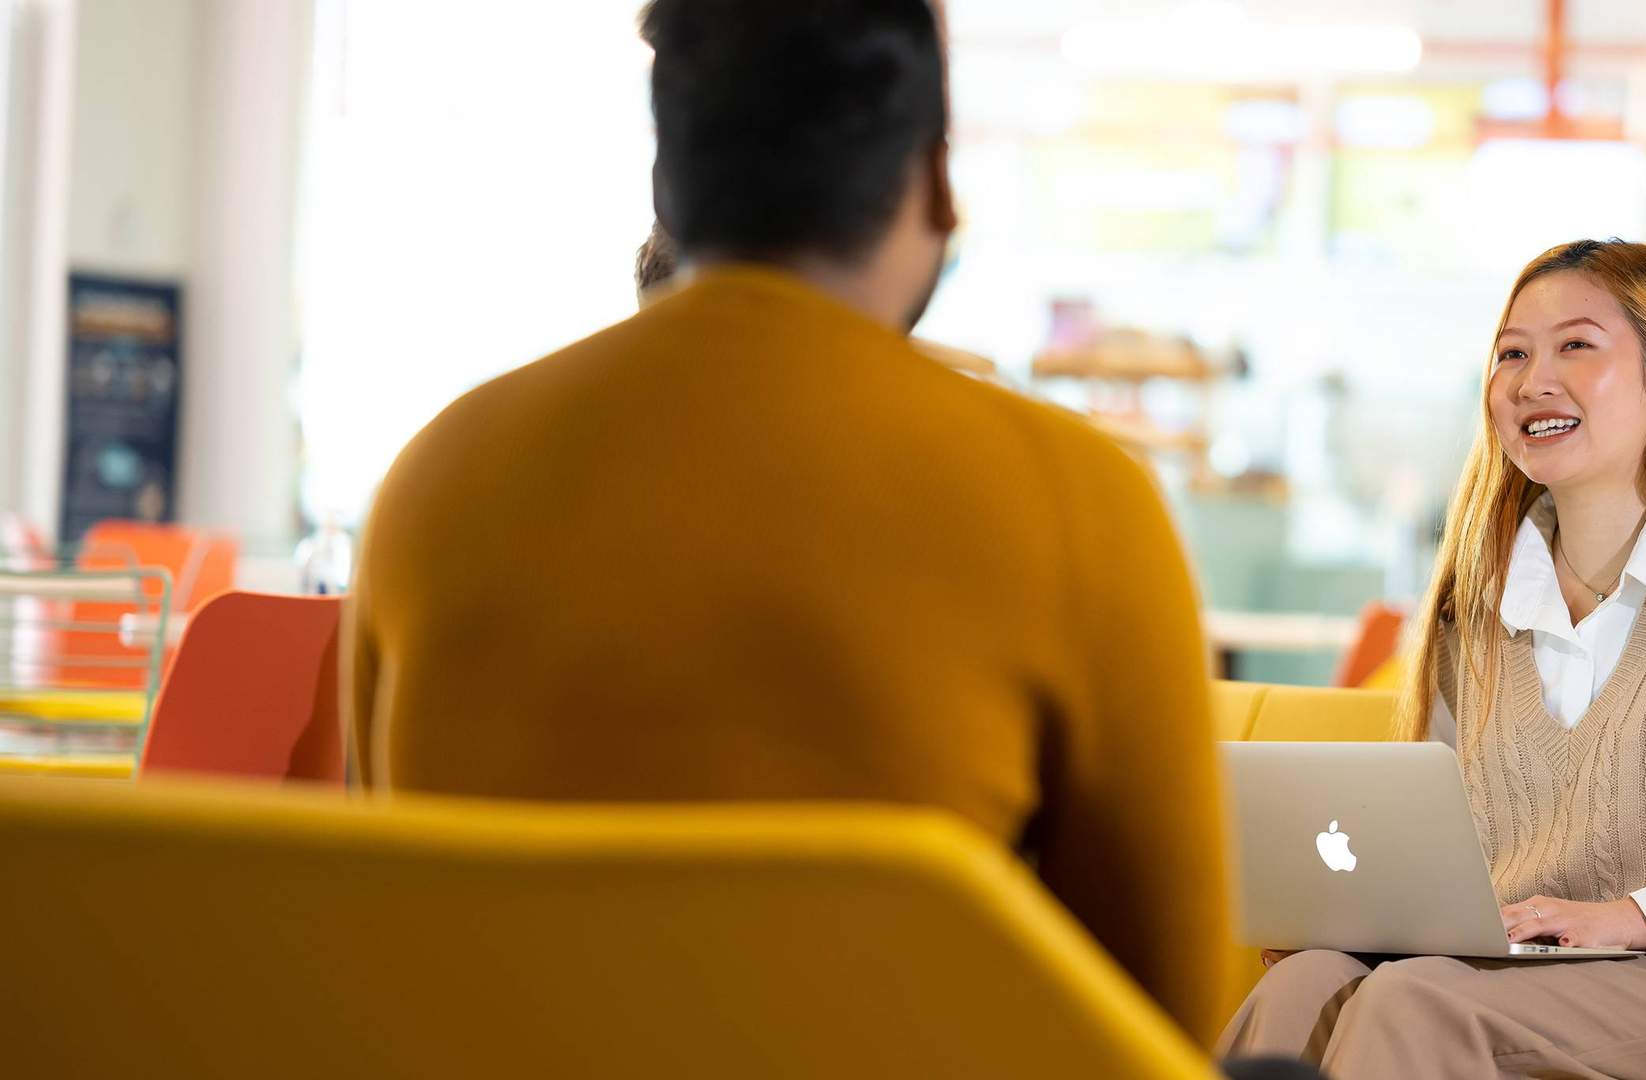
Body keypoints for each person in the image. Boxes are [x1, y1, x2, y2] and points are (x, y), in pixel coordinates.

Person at [345, 0, 1232, 1045]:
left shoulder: (436, 479)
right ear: (938, 186)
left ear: (666, 186)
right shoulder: (1077, 499)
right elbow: (1157, 1026)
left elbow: (387, 914)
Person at [1215, 239, 1646, 1079]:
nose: (1533, 378)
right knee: (1306, 987)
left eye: (1575, 344)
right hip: (1507, 976)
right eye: (1512, 353)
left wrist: (1638, 918)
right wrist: (1357, 921)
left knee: (1413, 1002)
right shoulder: (1473, 609)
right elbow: (1432, 862)